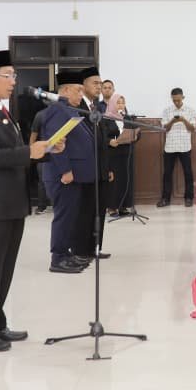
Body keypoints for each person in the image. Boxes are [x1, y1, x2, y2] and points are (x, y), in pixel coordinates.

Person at [0, 50, 61, 352]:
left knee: (4, 269)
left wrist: (45, 149)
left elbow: (13, 152)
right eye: (8, 76)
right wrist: (29, 152)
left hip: (10, 202)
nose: (13, 81)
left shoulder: (0, 109)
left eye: (13, 76)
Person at [41, 70, 95, 273]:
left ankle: (67, 254)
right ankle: (58, 259)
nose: (81, 94)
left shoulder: (69, 109)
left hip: (73, 175)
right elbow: (55, 142)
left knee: (71, 216)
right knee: (64, 217)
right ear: (64, 90)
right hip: (62, 175)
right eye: (78, 90)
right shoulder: (58, 110)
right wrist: (65, 170)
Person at [78, 66, 114, 258]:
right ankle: (83, 250)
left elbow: (103, 140)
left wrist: (107, 168)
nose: (99, 87)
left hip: (100, 169)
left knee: (99, 210)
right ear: (83, 85)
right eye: (95, 83)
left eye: (101, 83)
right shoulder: (78, 107)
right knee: (86, 211)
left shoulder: (97, 108)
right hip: (86, 170)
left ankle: (95, 248)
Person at [159, 87, 196, 207]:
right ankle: (165, 199)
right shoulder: (166, 111)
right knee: (167, 174)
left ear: (183, 97)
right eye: (174, 100)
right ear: (171, 98)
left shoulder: (190, 110)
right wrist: (172, 121)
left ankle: (189, 198)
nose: (176, 102)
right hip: (170, 147)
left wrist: (184, 120)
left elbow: (193, 129)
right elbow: (165, 128)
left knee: (188, 173)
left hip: (185, 146)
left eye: (178, 100)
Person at [106, 93, 140, 215]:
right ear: (112, 104)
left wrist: (135, 136)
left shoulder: (128, 118)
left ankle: (123, 206)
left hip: (127, 153)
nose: (121, 105)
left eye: (122, 103)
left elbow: (137, 133)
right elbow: (100, 136)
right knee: (114, 181)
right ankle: (112, 207)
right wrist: (110, 141)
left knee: (126, 180)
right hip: (113, 154)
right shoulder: (106, 119)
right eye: (118, 102)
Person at [28, 106, 50, 214]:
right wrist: (31, 152)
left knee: (42, 181)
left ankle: (42, 207)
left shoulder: (40, 114)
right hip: (46, 152)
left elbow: (33, 136)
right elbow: (33, 135)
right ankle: (42, 206)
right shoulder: (41, 115)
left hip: (47, 152)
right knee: (43, 180)